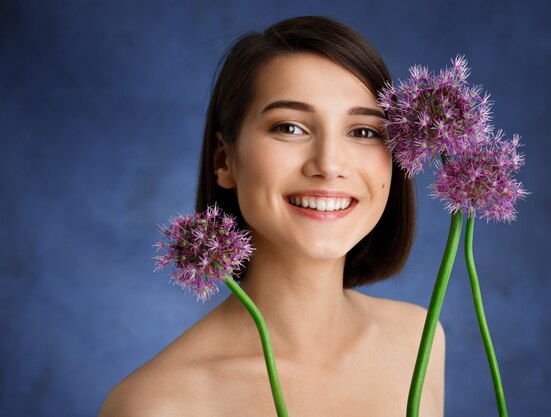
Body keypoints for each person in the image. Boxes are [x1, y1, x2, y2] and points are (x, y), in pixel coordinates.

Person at [98, 16, 445, 417]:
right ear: (224, 160)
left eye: (364, 131)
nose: (329, 165)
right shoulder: (156, 405)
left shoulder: (421, 340)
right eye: (290, 127)